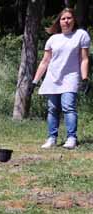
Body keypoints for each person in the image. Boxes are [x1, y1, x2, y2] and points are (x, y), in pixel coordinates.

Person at [32, 8, 90, 150]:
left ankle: (71, 138)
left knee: (68, 107)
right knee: (52, 109)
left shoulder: (81, 35)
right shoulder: (53, 39)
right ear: (59, 21)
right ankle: (52, 138)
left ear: (74, 20)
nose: (66, 21)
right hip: (52, 77)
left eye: (69, 18)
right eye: (63, 19)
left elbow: (84, 59)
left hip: (71, 77)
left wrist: (84, 77)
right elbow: (45, 61)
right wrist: (35, 80)